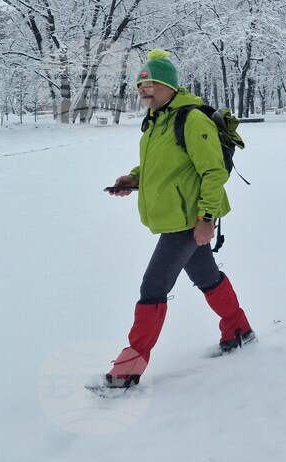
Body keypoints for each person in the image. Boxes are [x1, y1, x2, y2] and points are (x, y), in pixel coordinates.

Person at [100, 49, 254, 389]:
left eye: (152, 83)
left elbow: (213, 173)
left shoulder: (191, 119)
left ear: (169, 85)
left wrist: (206, 218)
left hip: (189, 219)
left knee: (153, 287)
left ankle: (127, 370)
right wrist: (134, 178)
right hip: (176, 216)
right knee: (207, 277)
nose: (144, 89)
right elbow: (166, 167)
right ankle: (239, 329)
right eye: (141, 84)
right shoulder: (158, 120)